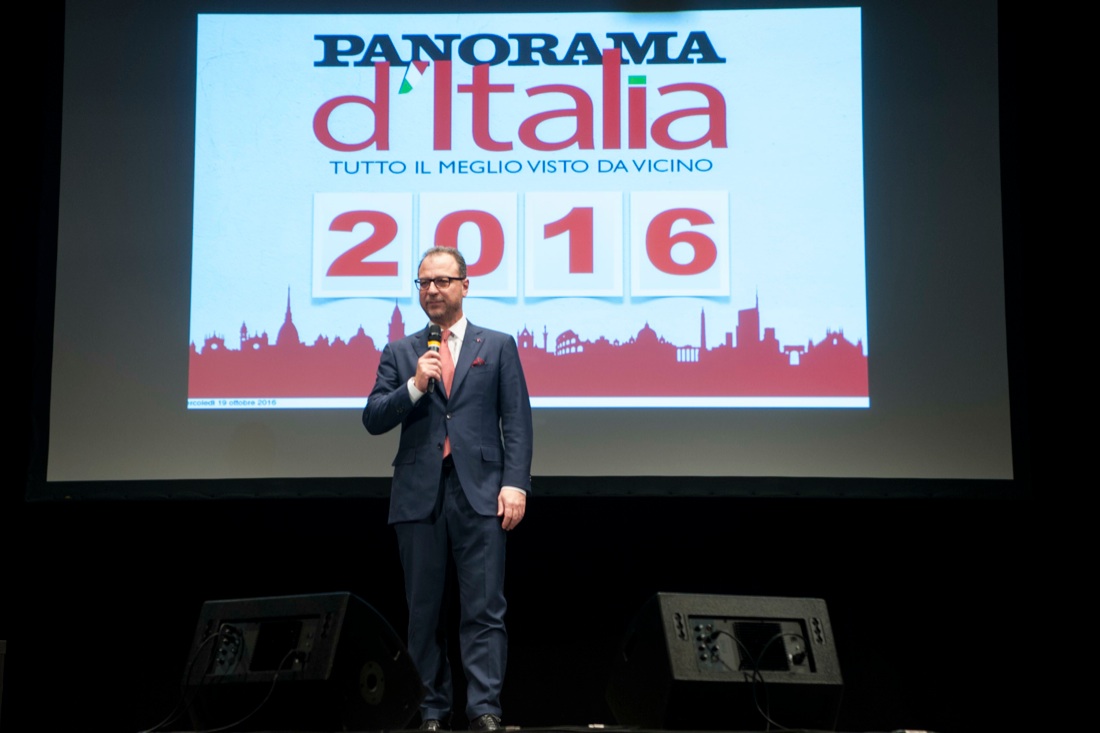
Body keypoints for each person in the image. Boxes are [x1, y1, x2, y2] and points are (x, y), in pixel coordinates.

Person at [363, 247, 533, 731]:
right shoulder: (401, 352)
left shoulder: (497, 345)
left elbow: (517, 422)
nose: (432, 290)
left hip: (481, 493)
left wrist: (515, 484)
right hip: (419, 496)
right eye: (424, 283)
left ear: (464, 285)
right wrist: (415, 386)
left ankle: (484, 709)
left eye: (442, 281)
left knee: (485, 610)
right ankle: (431, 711)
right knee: (423, 614)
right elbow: (373, 417)